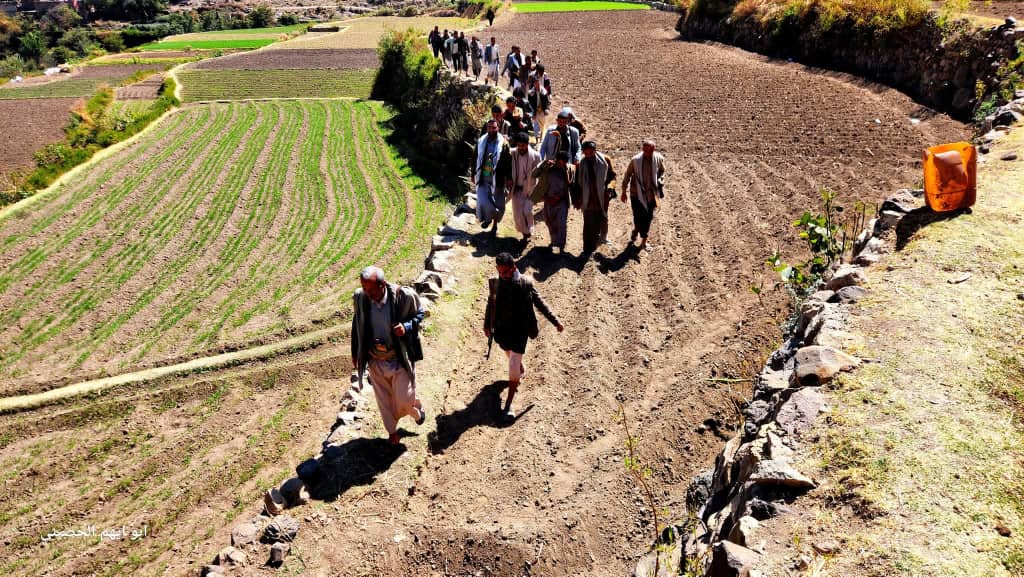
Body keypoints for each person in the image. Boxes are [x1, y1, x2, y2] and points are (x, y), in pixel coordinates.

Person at [351, 266, 426, 446]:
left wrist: (406, 327)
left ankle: (416, 411)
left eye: (371, 289)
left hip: (398, 358)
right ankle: (392, 433)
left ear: (383, 284)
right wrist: (355, 352)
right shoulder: (361, 298)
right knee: (383, 401)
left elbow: (421, 313)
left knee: (404, 399)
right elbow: (356, 324)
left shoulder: (403, 296)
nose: (367, 293)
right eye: (364, 288)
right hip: (375, 359)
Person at [484, 252, 563, 421]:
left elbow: (540, 303)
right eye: (499, 271)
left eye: (505, 272)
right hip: (502, 330)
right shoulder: (496, 282)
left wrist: (555, 321)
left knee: (512, 365)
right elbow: (491, 302)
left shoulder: (526, 284)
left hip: (520, 331)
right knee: (506, 350)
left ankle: (508, 405)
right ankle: (519, 369)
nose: (502, 275)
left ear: (513, 268)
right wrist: (487, 324)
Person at [620, 139, 666, 251]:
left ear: (653, 150)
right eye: (644, 150)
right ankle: (636, 229)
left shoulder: (658, 159)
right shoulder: (635, 160)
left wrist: (660, 179)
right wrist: (623, 191)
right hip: (636, 193)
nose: (646, 153)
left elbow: (662, 171)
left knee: (648, 218)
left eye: (649, 151)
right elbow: (627, 175)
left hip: (651, 194)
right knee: (637, 216)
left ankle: (644, 242)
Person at [573, 141, 616, 254]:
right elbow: (577, 183)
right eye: (586, 153)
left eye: (590, 153)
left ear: (595, 151)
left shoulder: (605, 161)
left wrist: (610, 187)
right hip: (587, 198)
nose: (588, 155)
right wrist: (577, 199)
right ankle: (586, 249)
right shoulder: (581, 164)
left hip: (601, 198)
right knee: (587, 224)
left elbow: (612, 177)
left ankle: (597, 243)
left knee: (600, 221)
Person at [473, 119, 512, 234]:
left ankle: (494, 224)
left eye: (494, 128)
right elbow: (475, 157)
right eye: (489, 128)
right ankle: (488, 218)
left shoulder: (504, 144)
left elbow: (508, 162)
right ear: (487, 128)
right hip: (484, 176)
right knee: (483, 200)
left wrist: (509, 177)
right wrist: (472, 174)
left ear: (498, 128)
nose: (491, 130)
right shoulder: (481, 141)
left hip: (498, 178)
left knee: (498, 203)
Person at [531, 150, 575, 253]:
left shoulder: (570, 170)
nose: (560, 165)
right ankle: (554, 242)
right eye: (559, 162)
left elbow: (572, 184)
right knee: (550, 222)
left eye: (563, 163)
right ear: (555, 160)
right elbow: (534, 174)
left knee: (561, 224)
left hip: (562, 202)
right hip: (548, 201)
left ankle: (561, 246)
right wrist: (543, 163)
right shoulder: (547, 167)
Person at [507, 132, 542, 245]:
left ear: (527, 144)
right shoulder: (512, 153)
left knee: (527, 211)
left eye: (523, 145)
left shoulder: (536, 156)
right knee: (518, 214)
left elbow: (539, 173)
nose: (520, 148)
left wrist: (538, 191)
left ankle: (529, 229)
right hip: (516, 189)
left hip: (529, 189)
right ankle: (525, 234)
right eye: (519, 145)